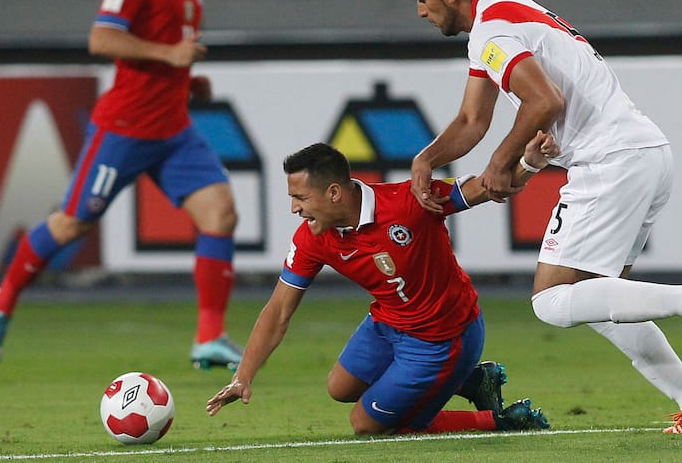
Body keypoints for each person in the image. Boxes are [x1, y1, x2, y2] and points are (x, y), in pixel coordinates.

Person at [404, 0, 682, 435]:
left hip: (609, 163)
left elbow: (546, 101)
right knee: (603, 300)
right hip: (646, 153)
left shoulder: (490, 32)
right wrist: (426, 159)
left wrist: (503, 160)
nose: (421, 13)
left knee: (552, 302)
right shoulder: (510, 8)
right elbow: (472, 120)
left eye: (422, 0)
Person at [0, 0, 243, 371]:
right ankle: (2, 300)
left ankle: (209, 337)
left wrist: (186, 79)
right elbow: (101, 39)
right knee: (72, 224)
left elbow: (172, 46)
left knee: (221, 212)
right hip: (125, 129)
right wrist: (169, 56)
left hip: (173, 128)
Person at [206, 139, 558, 435]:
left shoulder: (409, 202)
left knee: (366, 424)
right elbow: (279, 310)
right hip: (389, 323)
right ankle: (474, 382)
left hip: (443, 337)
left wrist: (530, 162)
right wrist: (243, 376)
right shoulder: (314, 237)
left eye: (300, 197)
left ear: (333, 193)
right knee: (339, 388)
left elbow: (484, 187)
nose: (294, 208)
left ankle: (502, 422)